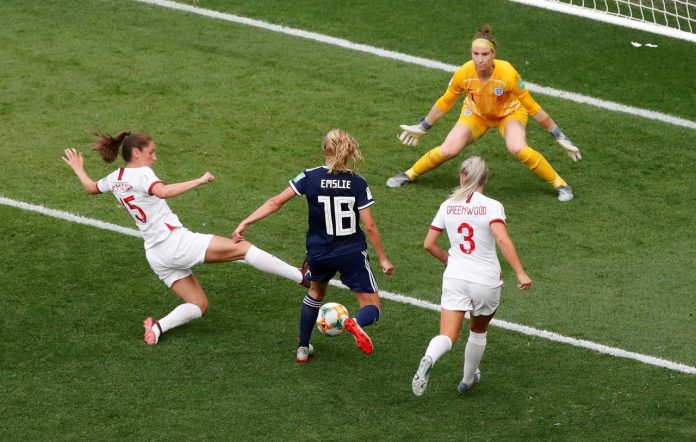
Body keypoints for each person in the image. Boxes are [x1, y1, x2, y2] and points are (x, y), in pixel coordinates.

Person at [62, 131, 310, 345]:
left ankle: (157, 328)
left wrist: (78, 168)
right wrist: (200, 180)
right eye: (151, 152)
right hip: (174, 243)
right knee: (242, 248)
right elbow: (164, 191)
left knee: (198, 304)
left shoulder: (115, 178)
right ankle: (302, 278)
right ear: (136, 153)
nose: (154, 157)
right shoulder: (143, 173)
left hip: (156, 256)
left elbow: (92, 188)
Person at [233, 129, 394, 363]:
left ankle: (302, 347)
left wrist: (246, 221)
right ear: (349, 152)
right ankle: (356, 323)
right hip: (351, 253)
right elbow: (369, 225)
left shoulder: (309, 176)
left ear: (324, 150)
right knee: (372, 305)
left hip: (319, 253)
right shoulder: (358, 183)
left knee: (316, 292)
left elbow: (276, 202)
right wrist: (383, 258)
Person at [387, 25, 581, 202]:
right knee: (448, 150)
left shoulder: (507, 74)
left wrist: (559, 136)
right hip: (476, 113)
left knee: (517, 148)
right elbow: (445, 102)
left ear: (493, 53)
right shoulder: (464, 73)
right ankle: (408, 174)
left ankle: (561, 184)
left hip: (509, 113)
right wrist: (424, 126)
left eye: (485, 54)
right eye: (476, 53)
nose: (480, 59)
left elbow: (532, 107)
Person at [411, 156, 531, 396]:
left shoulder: (447, 205)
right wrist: (520, 272)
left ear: (461, 176)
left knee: (447, 335)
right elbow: (501, 238)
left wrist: (449, 260)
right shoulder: (492, 206)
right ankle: (467, 381)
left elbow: (428, 244)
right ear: (485, 179)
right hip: (485, 280)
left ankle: (429, 357)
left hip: (455, 277)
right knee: (478, 331)